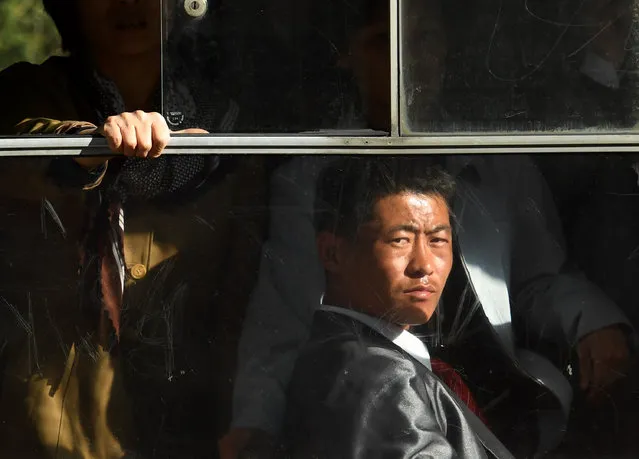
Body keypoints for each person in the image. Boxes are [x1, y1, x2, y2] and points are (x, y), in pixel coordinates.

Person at [224, 0, 635, 456]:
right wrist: (254, 423)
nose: (409, 57)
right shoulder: (310, 179)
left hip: (496, 406)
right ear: (348, 54)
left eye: (425, 39)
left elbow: (537, 277)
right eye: (385, 42)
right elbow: (284, 315)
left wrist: (593, 323)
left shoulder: (497, 162)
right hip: (379, 403)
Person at [0, 0, 266, 457]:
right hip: (48, 414)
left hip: (183, 414)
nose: (129, 3)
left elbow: (242, 292)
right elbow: (28, 147)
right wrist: (100, 143)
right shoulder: (28, 90)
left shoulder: (223, 120)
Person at [275, 157, 514, 459]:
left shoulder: (344, 356)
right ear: (332, 253)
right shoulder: (380, 379)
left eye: (438, 240)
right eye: (400, 240)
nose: (424, 264)